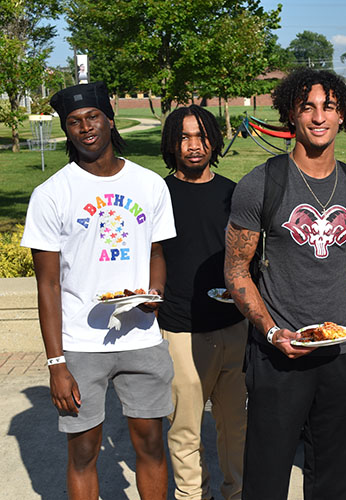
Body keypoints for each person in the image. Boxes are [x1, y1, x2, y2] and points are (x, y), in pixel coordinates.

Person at [224, 68, 346, 500]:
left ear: (342, 117)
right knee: (265, 480)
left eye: (329, 107)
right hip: (279, 354)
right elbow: (236, 270)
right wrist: (272, 331)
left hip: (341, 354)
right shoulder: (261, 184)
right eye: (308, 108)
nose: (319, 117)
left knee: (336, 483)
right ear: (291, 117)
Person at [21, 81, 176, 499]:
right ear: (66, 130)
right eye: (74, 122)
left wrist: (155, 293)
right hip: (81, 343)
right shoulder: (51, 194)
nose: (85, 128)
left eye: (92, 117)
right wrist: (56, 363)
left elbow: (157, 253)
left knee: (149, 445)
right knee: (84, 451)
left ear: (110, 118)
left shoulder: (149, 185)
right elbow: (48, 285)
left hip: (141, 336)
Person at [159, 105, 248, 500]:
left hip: (234, 325)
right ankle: (193, 495)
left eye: (201, 136)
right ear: (172, 144)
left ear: (213, 139)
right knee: (184, 429)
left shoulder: (234, 194)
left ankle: (237, 492)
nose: (194, 146)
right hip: (180, 327)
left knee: (236, 426)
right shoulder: (159, 194)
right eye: (184, 137)